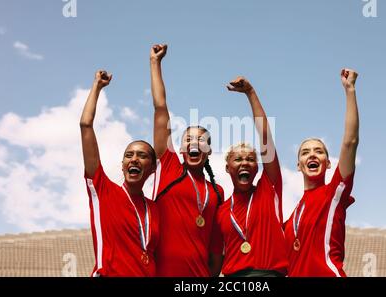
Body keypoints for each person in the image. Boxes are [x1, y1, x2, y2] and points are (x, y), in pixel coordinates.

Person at [149, 44, 224, 277]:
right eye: (188, 139)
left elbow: (216, 252)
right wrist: (155, 63)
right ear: (180, 149)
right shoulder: (168, 166)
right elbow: (161, 108)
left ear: (209, 150)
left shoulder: (217, 191)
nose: (194, 144)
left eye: (201, 141)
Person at [80, 70, 159, 277]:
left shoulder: (155, 209)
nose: (134, 159)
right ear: (122, 164)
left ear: (152, 168)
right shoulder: (103, 190)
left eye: (142, 156)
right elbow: (85, 125)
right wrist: (97, 86)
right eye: (128, 155)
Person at [284, 69, 359, 277]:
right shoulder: (291, 219)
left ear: (327, 163)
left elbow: (350, 142)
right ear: (299, 165)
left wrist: (350, 90)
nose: (312, 155)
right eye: (305, 152)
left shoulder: (333, 193)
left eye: (319, 151)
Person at [213, 77, 288, 277]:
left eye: (250, 159)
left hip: (269, 275)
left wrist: (251, 93)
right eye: (238, 159)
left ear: (257, 168)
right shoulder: (221, 211)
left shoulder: (268, 189)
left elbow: (265, 138)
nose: (244, 163)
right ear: (228, 168)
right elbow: (216, 258)